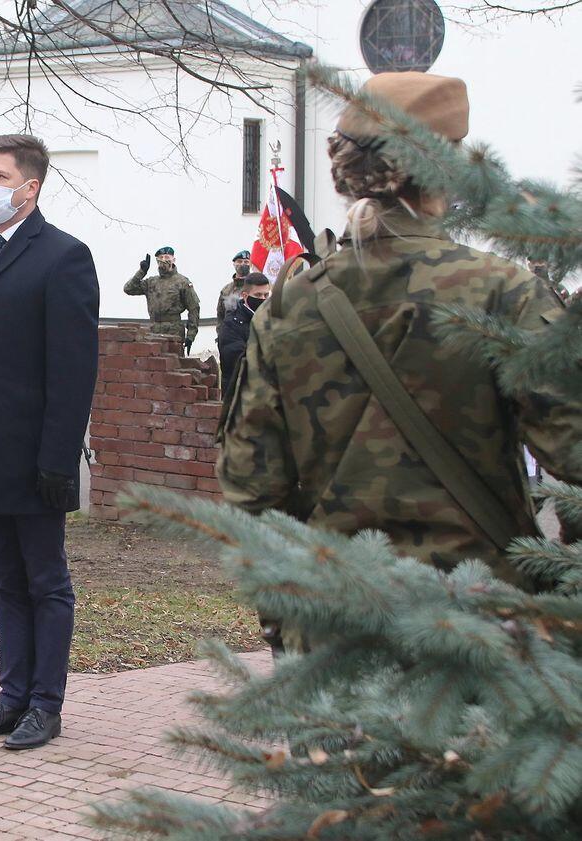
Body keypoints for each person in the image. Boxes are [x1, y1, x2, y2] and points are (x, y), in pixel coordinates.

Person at [219, 72, 582, 598]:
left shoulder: (289, 306)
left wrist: (292, 619)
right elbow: (574, 455)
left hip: (338, 615)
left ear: (347, 171)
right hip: (483, 618)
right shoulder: (506, 293)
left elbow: (251, 488)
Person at [0, 134, 99, 750]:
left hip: (34, 456)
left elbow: (73, 371)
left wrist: (58, 459)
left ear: (29, 187)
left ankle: (44, 704)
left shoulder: (63, 257)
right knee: (4, 579)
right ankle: (11, 698)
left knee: (45, 581)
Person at [124, 246, 199, 351]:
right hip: (153, 331)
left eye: (167, 257)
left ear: (173, 260)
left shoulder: (182, 282)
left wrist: (191, 335)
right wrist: (142, 271)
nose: (163, 260)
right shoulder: (151, 282)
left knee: (173, 360)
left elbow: (194, 308)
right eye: (161, 257)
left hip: (174, 333)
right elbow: (128, 289)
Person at [216, 271, 269, 400]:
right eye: (258, 295)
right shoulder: (232, 324)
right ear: (245, 296)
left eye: (266, 295)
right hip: (239, 396)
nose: (263, 299)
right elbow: (238, 362)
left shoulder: (270, 319)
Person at [216, 250, 253, 333]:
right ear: (234, 264)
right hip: (230, 335)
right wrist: (220, 335)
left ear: (251, 264)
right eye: (239, 261)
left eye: (246, 262)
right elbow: (220, 316)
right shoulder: (226, 290)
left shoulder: (256, 286)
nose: (243, 264)